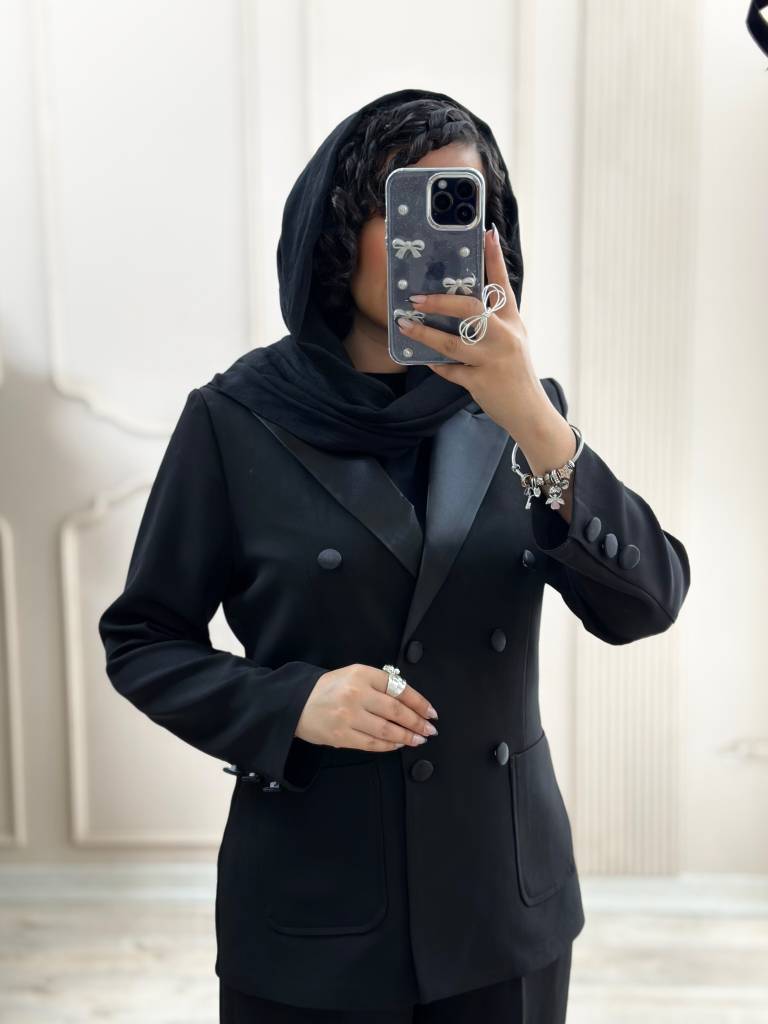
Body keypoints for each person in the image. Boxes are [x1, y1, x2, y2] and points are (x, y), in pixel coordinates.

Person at [98, 88, 691, 1023]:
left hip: (502, 908)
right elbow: (143, 640)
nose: (439, 242)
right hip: (313, 912)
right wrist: (293, 703)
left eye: (466, 208)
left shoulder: (521, 415)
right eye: (408, 206)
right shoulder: (234, 418)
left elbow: (647, 605)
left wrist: (535, 419)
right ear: (337, 234)